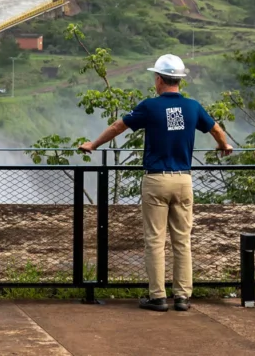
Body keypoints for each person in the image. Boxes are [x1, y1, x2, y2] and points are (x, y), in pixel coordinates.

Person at [79, 54, 233, 312]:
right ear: (179, 81)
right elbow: (216, 129)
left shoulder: (150, 106)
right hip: (183, 179)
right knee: (182, 240)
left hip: (156, 180)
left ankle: (158, 296)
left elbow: (119, 127)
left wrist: (93, 144)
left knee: (155, 240)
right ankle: (182, 297)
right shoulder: (193, 107)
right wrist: (224, 145)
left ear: (159, 80)